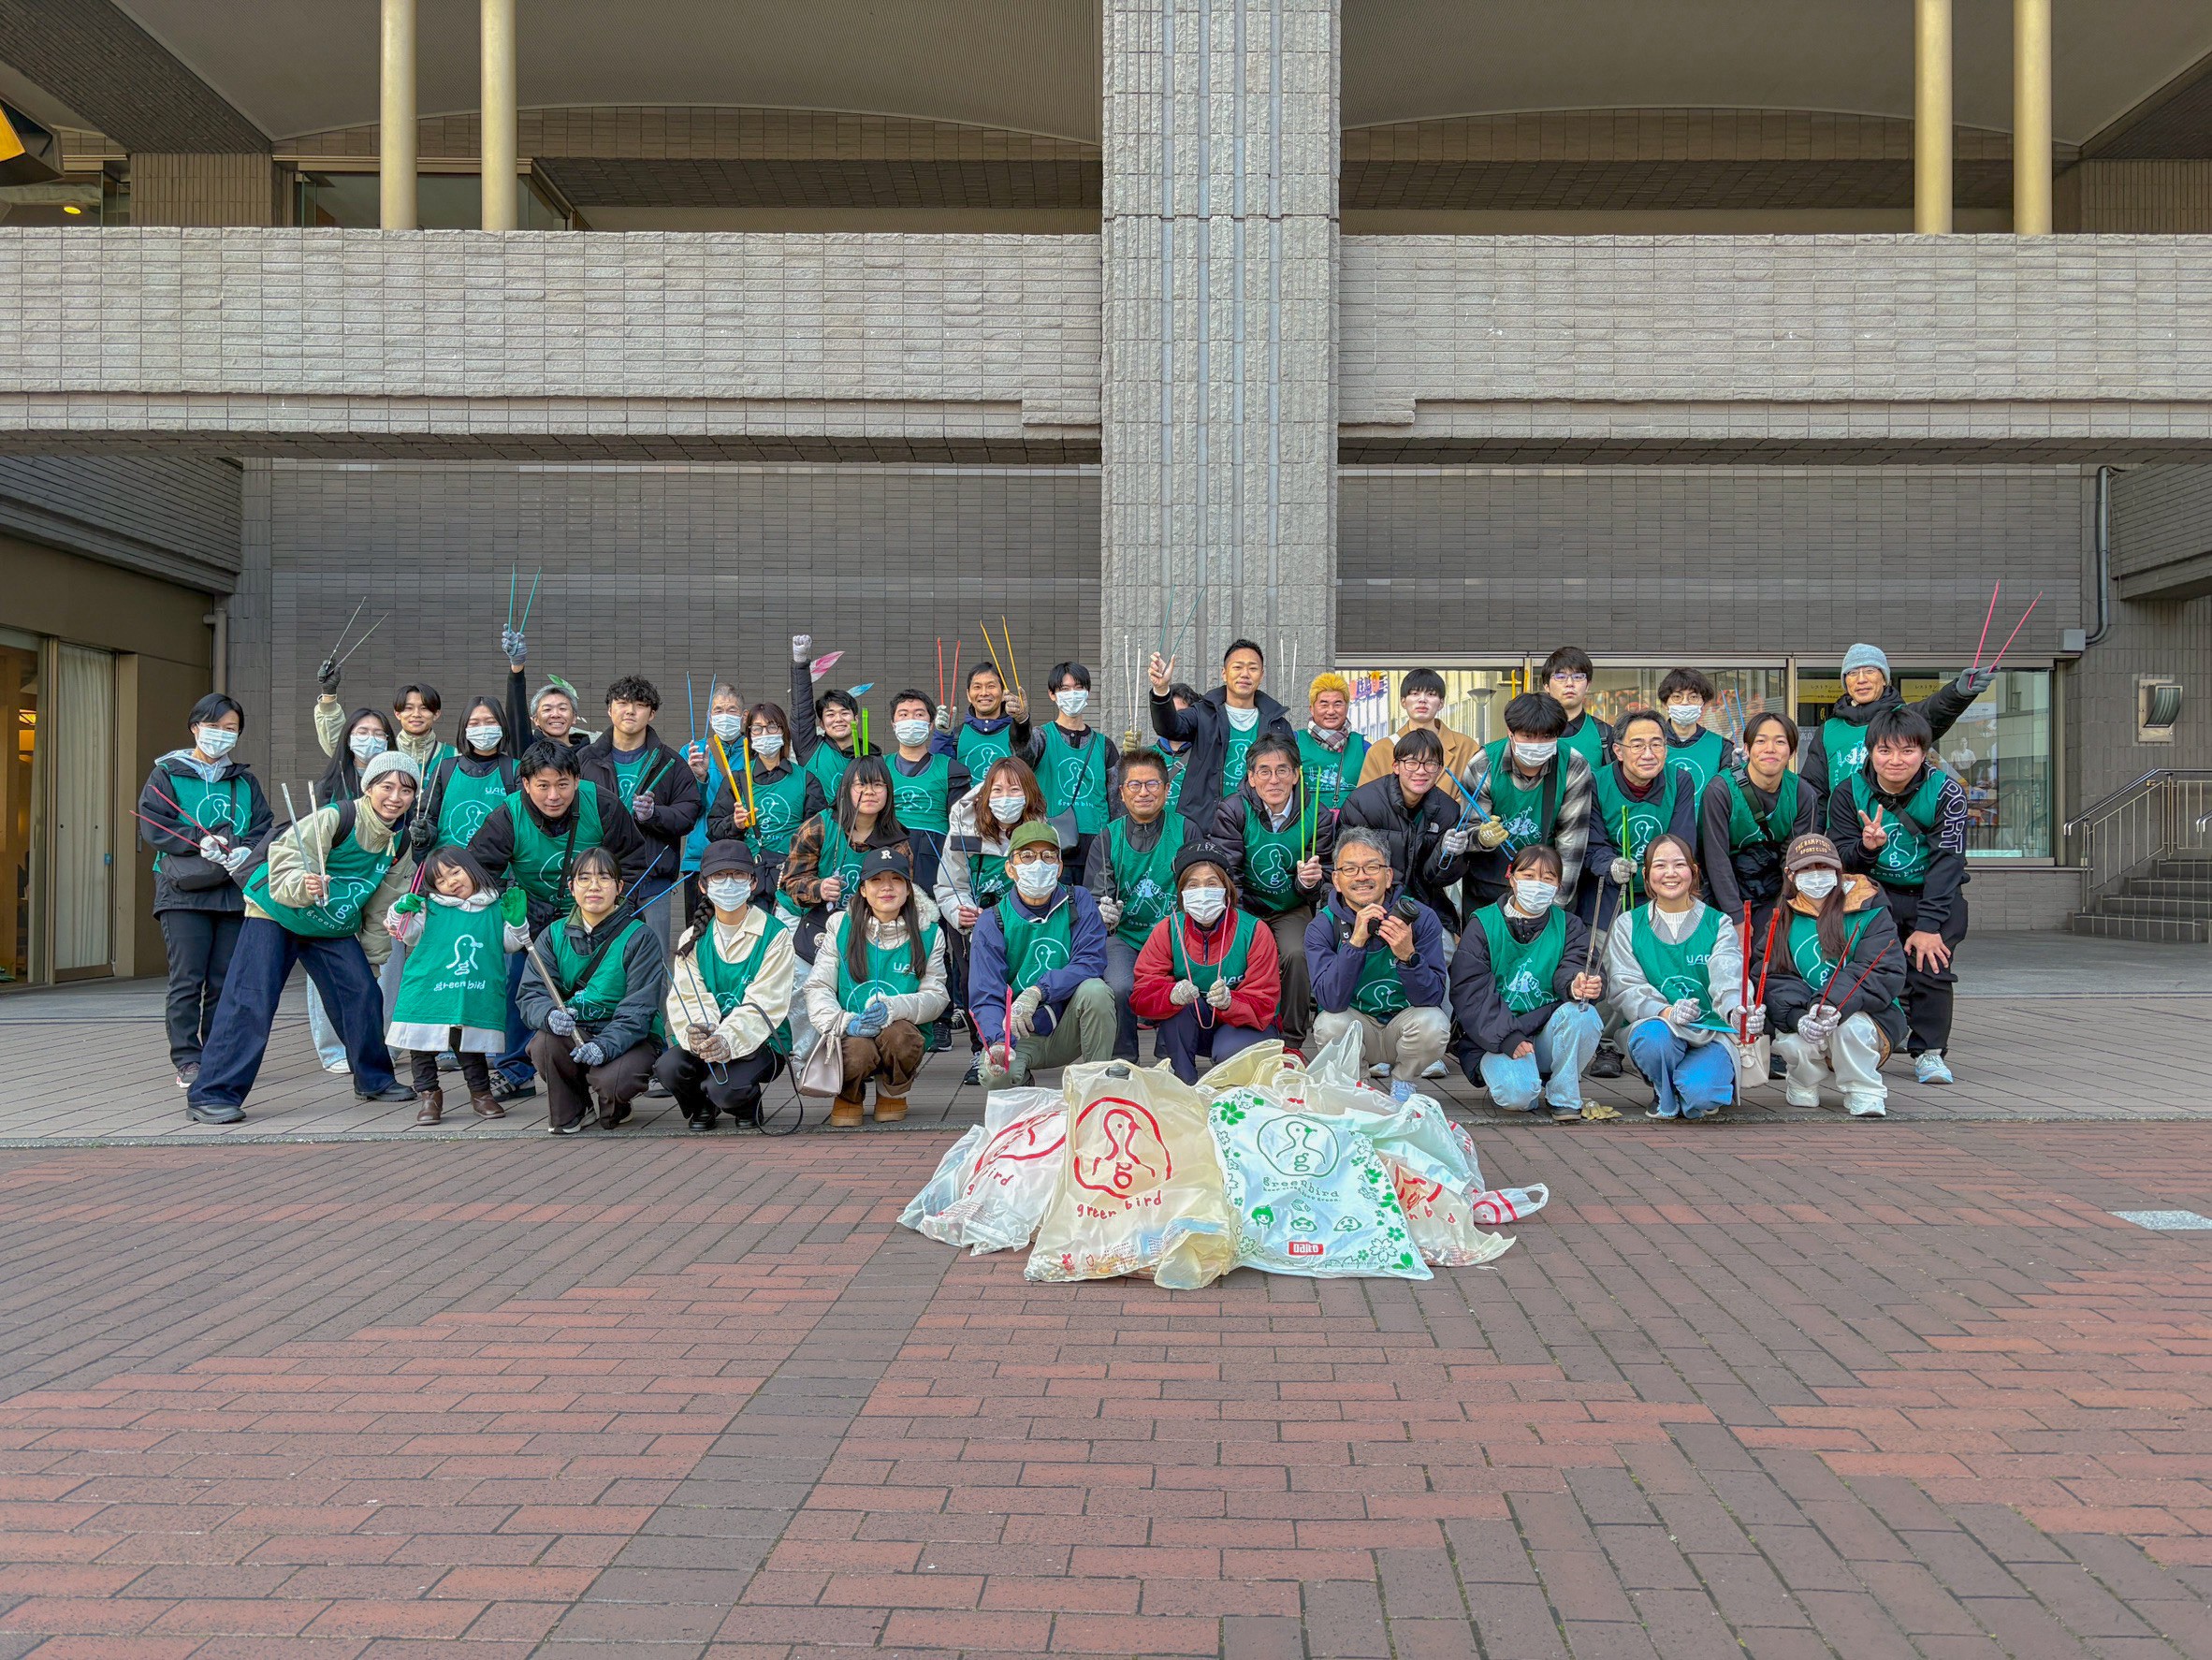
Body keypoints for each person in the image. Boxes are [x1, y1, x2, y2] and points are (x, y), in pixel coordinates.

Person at [185, 750, 424, 1124]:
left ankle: (374, 1079)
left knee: (362, 993)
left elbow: (383, 906)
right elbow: (287, 857)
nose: (395, 797)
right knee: (251, 1000)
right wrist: (304, 884)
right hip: (277, 913)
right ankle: (212, 1094)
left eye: (406, 790)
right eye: (387, 787)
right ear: (369, 787)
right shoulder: (336, 817)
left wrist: (373, 960)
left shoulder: (401, 841)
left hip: (331, 924)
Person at [465, 740, 650, 1099]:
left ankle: (636, 1057)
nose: (554, 796)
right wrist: (511, 905)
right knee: (520, 982)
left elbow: (631, 861)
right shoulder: (507, 816)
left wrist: (614, 910)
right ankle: (515, 1070)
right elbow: (479, 872)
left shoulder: (603, 804)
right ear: (525, 784)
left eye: (563, 784)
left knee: (622, 982)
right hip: (535, 917)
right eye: (543, 786)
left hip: (600, 915)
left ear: (577, 780)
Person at [1827, 704, 1972, 1085]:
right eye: (1885, 750)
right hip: (1876, 894)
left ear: (1924, 753)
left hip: (1933, 893)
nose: (1895, 760)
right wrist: (1866, 848)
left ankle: (1930, 1053)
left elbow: (1948, 863)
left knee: (1931, 967)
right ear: (1871, 752)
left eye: (1907, 750)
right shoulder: (1848, 792)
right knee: (1873, 969)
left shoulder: (1947, 792)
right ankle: (1870, 1042)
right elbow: (1841, 857)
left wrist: (1929, 925)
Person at [138, 694, 272, 1090]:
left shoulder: (244, 780)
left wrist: (247, 848)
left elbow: (263, 826)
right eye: (214, 726)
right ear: (195, 727)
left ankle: (215, 1053)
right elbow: (153, 824)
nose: (221, 735)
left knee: (224, 979)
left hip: (232, 890)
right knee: (187, 977)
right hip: (183, 891)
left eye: (231, 729)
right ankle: (186, 1058)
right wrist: (198, 839)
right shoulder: (167, 774)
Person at [517, 845, 667, 1134]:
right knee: (544, 1043)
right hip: (576, 1031)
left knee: (615, 1081)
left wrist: (604, 1045)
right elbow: (532, 993)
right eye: (584, 878)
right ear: (572, 887)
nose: (594, 886)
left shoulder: (640, 937)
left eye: (604, 878)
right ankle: (575, 1108)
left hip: (631, 1037)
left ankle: (616, 1105)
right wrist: (548, 1016)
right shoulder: (553, 935)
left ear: (619, 887)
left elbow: (639, 1009)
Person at [1452, 845, 1606, 1119]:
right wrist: (1508, 1037)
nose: (1538, 884)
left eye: (1548, 878)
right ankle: (1526, 1082)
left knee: (1584, 1014)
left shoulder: (1570, 925)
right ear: (1510, 876)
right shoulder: (1483, 924)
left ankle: (1564, 1095)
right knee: (1518, 1096)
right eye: (1528, 875)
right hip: (1496, 1037)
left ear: (1558, 886)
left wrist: (1577, 984)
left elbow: (1577, 965)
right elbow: (1471, 992)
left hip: (1546, 1033)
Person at [1763, 834, 1907, 1118]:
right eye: (1806, 868)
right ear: (1790, 874)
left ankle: (1865, 1090)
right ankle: (1802, 1081)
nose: (1816, 875)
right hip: (1807, 1011)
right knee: (1794, 1038)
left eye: (1824, 867)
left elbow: (1879, 969)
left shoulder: (1870, 910)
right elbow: (1773, 976)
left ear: (1838, 870)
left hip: (1868, 1016)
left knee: (1848, 1026)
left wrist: (1830, 1004)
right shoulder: (1782, 917)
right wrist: (1798, 1017)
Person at [656, 840, 796, 1130]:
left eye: (738, 875)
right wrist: (700, 1032)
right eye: (719, 876)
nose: (729, 883)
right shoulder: (692, 939)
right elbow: (688, 996)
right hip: (712, 1038)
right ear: (703, 885)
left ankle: (746, 1104)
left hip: (761, 1041)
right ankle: (702, 1106)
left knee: (726, 1089)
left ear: (753, 882)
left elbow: (766, 1001)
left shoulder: (775, 934)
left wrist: (727, 1039)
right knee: (668, 1068)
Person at [1606, 834, 1745, 1122]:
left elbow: (1728, 973)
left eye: (1679, 865)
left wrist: (1735, 1011)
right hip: (1658, 1028)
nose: (1670, 873)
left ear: (1694, 871)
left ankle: (1689, 1085)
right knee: (1655, 1037)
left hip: (1709, 1033)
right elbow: (1625, 987)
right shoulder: (1627, 924)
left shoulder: (1718, 923)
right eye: (1660, 865)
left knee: (1701, 1094)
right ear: (1646, 874)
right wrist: (1667, 1012)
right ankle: (1664, 1089)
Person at [807, 848, 949, 1126]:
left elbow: (936, 996)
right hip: (851, 1031)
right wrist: (845, 1022)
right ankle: (848, 1095)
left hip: (901, 1029)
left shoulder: (930, 932)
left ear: (908, 889)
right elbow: (818, 987)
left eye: (896, 879)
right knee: (858, 1050)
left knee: (900, 1037)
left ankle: (892, 1092)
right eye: (876, 880)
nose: (886, 887)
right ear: (862, 889)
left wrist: (894, 1008)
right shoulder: (840, 926)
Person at [383, 846, 525, 1126]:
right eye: (441, 880)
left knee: (470, 1046)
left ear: (471, 868)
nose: (451, 882)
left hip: (472, 992)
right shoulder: (428, 908)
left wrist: (517, 922)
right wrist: (399, 911)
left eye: (455, 872)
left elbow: (511, 945)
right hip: (427, 991)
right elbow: (406, 934)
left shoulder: (496, 907)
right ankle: (429, 1096)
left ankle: (481, 1095)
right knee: (421, 1048)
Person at [970, 821, 1115, 1088]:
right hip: (1018, 1033)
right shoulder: (993, 920)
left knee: (1096, 991)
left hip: (1069, 1025)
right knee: (994, 1076)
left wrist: (1039, 991)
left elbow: (1090, 961)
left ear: (1059, 867)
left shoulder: (1078, 901)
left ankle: (1096, 1085)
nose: (1038, 864)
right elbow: (985, 993)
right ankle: (1021, 1082)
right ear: (1010, 868)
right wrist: (997, 1041)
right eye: (1027, 856)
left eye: (1048, 856)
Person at [1209, 734, 1331, 1045]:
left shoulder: (1316, 813)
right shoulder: (1233, 810)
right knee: (1242, 954)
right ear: (1251, 778)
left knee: (1297, 954)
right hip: (1245, 904)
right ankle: (1242, 1030)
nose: (1273, 780)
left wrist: (1308, 884)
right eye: (1264, 771)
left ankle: (1292, 1040)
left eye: (1282, 770)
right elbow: (1227, 872)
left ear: (1296, 775)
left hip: (1292, 906)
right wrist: (1242, 921)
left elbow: (1329, 876)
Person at [1306, 826, 1451, 1086]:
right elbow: (1330, 1001)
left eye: (1372, 867)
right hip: (1358, 1026)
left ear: (1388, 876)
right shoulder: (1323, 925)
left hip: (1404, 1025)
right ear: (1336, 880)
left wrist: (1408, 956)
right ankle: (1359, 1088)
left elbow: (1431, 998)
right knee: (1329, 1024)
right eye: (1350, 869)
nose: (1361, 877)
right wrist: (1355, 943)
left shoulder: (1421, 917)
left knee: (1434, 1022)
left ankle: (1403, 1084)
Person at [1131, 845, 1281, 1084]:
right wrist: (1170, 995)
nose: (1202, 892)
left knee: (1230, 1054)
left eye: (1212, 883)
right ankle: (1183, 1080)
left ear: (1226, 890)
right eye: (1193, 885)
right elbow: (1141, 996)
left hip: (1243, 1027)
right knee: (1176, 1008)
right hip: (1192, 1025)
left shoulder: (1254, 931)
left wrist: (1231, 1001)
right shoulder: (1168, 929)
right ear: (1181, 894)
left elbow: (1265, 1003)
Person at [580, 676, 702, 947]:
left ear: (652, 713)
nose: (630, 711)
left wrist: (654, 814)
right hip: (597, 879)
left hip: (652, 882)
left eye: (640, 705)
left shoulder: (670, 762)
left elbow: (688, 812)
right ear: (609, 709)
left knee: (653, 959)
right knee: (598, 959)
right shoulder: (585, 760)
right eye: (622, 703)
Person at [1087, 749, 1187, 1062]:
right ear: (1121, 792)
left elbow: (1196, 886)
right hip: (1125, 936)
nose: (1144, 792)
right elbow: (1096, 896)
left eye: (1152, 784)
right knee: (1119, 986)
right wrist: (1103, 913)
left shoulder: (1186, 830)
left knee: (1184, 979)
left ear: (1167, 789)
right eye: (1134, 785)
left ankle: (1171, 1054)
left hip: (1174, 937)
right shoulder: (1108, 837)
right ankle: (1124, 1059)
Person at [1456, 691, 1595, 913]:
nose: (1537, 744)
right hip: (1490, 884)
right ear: (1510, 732)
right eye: (1528, 736)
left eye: (1547, 737)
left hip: (1547, 882)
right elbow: (1467, 831)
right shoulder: (1483, 765)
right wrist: (1482, 837)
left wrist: (1555, 906)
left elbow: (1572, 844)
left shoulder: (1573, 765)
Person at [1800, 644, 1993, 802]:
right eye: (1852, 673)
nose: (1861, 679)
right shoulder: (1829, 730)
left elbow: (1935, 709)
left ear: (1884, 679)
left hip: (1898, 831)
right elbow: (1815, 791)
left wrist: (1957, 692)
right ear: (1845, 682)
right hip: (1843, 832)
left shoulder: (1905, 718)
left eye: (1870, 671)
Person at [1147, 639, 1294, 832]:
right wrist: (1161, 690)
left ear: (1262, 675)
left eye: (1252, 668)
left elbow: (1291, 776)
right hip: (1205, 825)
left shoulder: (1277, 724)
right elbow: (1169, 728)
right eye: (1237, 667)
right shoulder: (1203, 714)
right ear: (1224, 673)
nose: (1245, 674)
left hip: (1257, 827)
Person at [1336, 727, 1469, 933]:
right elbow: (1347, 865)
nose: (1421, 771)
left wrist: (1447, 853)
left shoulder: (1448, 811)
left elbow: (1437, 879)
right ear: (1396, 766)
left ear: (1440, 769)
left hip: (1424, 905)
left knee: (1446, 946)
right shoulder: (1363, 803)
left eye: (1430, 764)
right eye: (1412, 763)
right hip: (1369, 903)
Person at [1700, 711, 1820, 925]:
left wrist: (1783, 912)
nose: (1770, 749)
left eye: (1780, 742)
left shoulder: (1803, 794)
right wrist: (1736, 917)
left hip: (1773, 890)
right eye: (1761, 741)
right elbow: (1716, 859)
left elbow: (1794, 861)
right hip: (1725, 890)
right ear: (1747, 749)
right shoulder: (1720, 791)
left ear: (1792, 751)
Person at [704, 700, 828, 900]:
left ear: (783, 732)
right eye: (757, 729)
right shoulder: (737, 780)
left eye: (772, 727)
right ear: (749, 735)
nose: (765, 734)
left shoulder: (806, 780)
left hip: (792, 879)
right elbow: (714, 831)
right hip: (748, 880)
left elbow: (820, 835)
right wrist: (735, 824)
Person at [1028, 660, 1118, 885]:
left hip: (1098, 845)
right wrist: (1020, 722)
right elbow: (1022, 754)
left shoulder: (1104, 745)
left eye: (1078, 688)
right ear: (1052, 694)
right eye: (1064, 689)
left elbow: (1117, 801)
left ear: (1087, 692)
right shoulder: (1041, 737)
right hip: (1053, 843)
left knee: (1096, 905)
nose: (1073, 694)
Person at [885, 688, 968, 896]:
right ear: (893, 724)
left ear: (931, 724)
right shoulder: (879, 767)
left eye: (919, 714)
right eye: (903, 714)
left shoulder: (951, 769)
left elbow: (962, 825)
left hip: (935, 857)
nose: (911, 720)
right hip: (887, 853)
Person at [412, 697, 518, 856]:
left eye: (490, 722)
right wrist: (424, 833)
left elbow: (522, 824)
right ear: (465, 729)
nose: (483, 728)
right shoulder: (445, 768)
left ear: (502, 726)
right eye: (474, 723)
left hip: (496, 868)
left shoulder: (516, 770)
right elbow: (428, 817)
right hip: (447, 865)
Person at [682, 680, 747, 917]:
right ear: (709, 717)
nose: (724, 716)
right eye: (718, 710)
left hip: (743, 855)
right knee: (698, 930)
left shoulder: (755, 752)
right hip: (700, 854)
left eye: (732, 710)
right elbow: (685, 808)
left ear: (744, 717)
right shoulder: (692, 752)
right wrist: (699, 778)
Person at [313, 667, 451, 774]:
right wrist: (328, 695)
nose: (416, 714)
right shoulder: (379, 748)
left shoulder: (453, 756)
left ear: (436, 714)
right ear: (397, 713)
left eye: (424, 708)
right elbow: (338, 745)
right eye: (408, 708)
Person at [1357, 668, 1477, 787]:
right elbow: (1366, 796)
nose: (1422, 700)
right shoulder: (1380, 750)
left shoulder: (1466, 747)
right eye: (1415, 694)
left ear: (1441, 703)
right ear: (1403, 702)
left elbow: (1477, 795)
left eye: (1431, 694)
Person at [788, 633, 862, 803]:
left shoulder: (870, 753)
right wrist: (800, 663)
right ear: (821, 723)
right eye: (830, 714)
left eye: (844, 713)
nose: (838, 719)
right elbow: (801, 710)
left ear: (856, 719)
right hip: (819, 819)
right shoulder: (809, 748)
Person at [934, 657, 1033, 779]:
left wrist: (1023, 721)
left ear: (1003, 693)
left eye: (991, 686)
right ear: (968, 695)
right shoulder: (956, 736)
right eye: (977, 687)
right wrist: (942, 736)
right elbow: (937, 774)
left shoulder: (1018, 734)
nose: (984, 693)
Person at [1295, 670, 1368, 826]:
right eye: (1324, 704)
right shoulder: (1295, 741)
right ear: (1311, 709)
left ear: (1346, 707)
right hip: (1305, 826)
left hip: (1352, 826)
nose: (1331, 711)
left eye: (1338, 704)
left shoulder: (1362, 746)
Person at [1652, 670, 1739, 797]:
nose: (1685, 702)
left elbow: (1731, 793)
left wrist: (1741, 769)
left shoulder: (1722, 747)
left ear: (1704, 703)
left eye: (1693, 697)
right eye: (1677, 697)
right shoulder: (1650, 745)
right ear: (1665, 704)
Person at [1540, 647, 1612, 779]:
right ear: (1546, 686)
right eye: (1560, 676)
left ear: (1588, 685)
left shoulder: (1605, 734)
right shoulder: (1531, 731)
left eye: (1578, 677)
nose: (1569, 683)